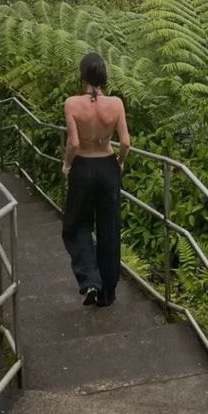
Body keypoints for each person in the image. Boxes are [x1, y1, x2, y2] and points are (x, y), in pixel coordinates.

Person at [61, 53, 131, 308]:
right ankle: (107, 293)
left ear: (82, 76)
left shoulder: (72, 104)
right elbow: (125, 142)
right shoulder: (116, 104)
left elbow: (74, 142)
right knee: (108, 228)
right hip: (107, 166)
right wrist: (120, 162)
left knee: (76, 224)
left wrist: (67, 165)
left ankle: (90, 280)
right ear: (103, 77)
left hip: (83, 166)